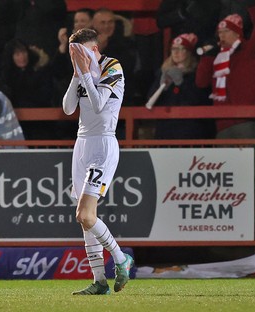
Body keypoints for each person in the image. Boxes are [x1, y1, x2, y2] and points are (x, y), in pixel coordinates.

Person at [62, 28, 134, 295]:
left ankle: (120, 258)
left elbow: (100, 103)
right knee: (84, 219)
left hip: (103, 143)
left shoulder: (112, 66)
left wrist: (84, 73)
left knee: (84, 214)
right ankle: (99, 281)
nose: (75, 58)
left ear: (91, 50)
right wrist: (76, 74)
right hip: (81, 144)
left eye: (77, 53)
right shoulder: (81, 71)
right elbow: (69, 108)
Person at [196, 0, 255, 138]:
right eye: (220, 32)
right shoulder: (216, 57)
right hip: (222, 123)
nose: (221, 36)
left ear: (237, 34)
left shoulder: (249, 50)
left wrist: (253, 7)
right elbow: (201, 82)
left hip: (247, 120)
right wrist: (206, 58)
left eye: (226, 31)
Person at [146, 33, 215, 139]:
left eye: (181, 49)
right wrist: (161, 86)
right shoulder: (163, 72)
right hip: (165, 129)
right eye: (174, 49)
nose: (176, 53)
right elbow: (151, 99)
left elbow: (197, 99)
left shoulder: (195, 73)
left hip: (189, 130)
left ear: (188, 53)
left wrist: (180, 83)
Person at [92, 8, 137, 105]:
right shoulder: (85, 43)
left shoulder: (125, 42)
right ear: (95, 24)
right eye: (102, 23)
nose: (107, 26)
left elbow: (127, 67)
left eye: (110, 22)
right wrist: (100, 50)